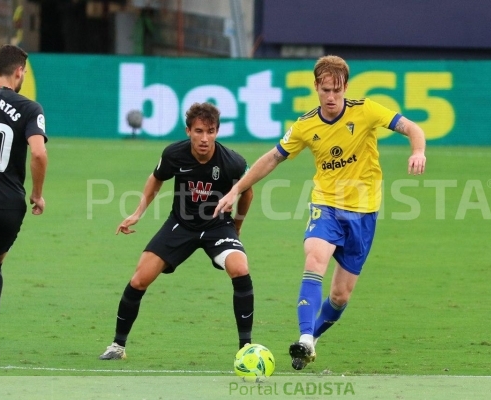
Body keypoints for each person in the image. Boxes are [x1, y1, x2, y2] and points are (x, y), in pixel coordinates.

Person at [214, 55, 426, 370]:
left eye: (336, 91)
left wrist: (418, 150)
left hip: (363, 214)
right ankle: (304, 338)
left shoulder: (366, 111)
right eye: (325, 90)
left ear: (345, 88)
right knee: (314, 259)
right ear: (316, 87)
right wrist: (234, 190)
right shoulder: (305, 125)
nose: (330, 97)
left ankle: (313, 338)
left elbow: (412, 127)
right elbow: (272, 158)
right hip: (325, 206)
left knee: (340, 296)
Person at [99, 102, 254, 360]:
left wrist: (236, 226)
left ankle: (246, 349)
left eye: (211, 131)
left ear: (217, 131)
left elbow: (247, 191)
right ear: (188, 131)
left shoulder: (233, 161)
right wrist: (138, 212)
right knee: (139, 279)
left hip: (218, 226)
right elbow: (156, 178)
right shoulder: (174, 154)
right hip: (180, 224)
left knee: (240, 268)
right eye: (199, 131)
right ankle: (117, 346)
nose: (205, 138)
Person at [0, 44, 48, 367]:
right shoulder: (30, 108)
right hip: (11, 203)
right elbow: (38, 153)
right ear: (18, 73)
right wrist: (37, 193)